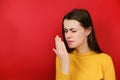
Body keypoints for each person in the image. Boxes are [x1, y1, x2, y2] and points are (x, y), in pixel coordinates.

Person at [53, 9, 116, 80]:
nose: (67, 35)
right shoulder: (62, 57)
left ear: (88, 31)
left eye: (73, 31)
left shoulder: (105, 60)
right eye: (65, 31)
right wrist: (65, 63)